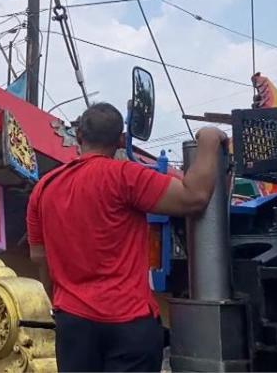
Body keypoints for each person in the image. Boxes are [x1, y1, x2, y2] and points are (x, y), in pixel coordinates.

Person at [26, 102, 227, 372]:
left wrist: (62, 308)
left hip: (73, 324)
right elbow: (195, 198)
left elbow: (40, 257)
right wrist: (210, 139)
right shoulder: (125, 176)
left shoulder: (44, 188)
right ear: (120, 140)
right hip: (129, 323)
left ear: (80, 136)